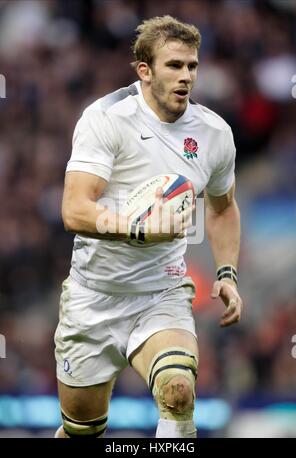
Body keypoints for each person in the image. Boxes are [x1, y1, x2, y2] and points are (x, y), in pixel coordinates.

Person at [54, 15, 243, 439]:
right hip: (94, 295)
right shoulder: (105, 118)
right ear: (144, 70)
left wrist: (227, 272)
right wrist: (139, 229)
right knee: (82, 428)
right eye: (174, 66)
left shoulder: (214, 133)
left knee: (179, 390)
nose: (186, 76)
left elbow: (223, 207)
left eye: (192, 66)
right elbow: (74, 209)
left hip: (162, 293)